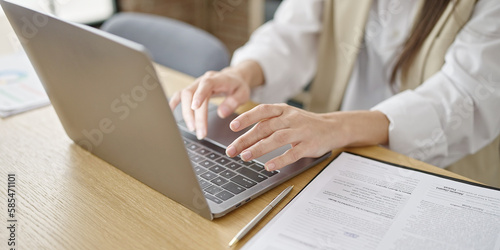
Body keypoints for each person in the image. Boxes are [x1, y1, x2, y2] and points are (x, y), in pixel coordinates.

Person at [169, 0, 500, 186]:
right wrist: (243, 72)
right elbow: (294, 31)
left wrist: (333, 127)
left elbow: (465, 97)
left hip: (443, 173)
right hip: (333, 155)